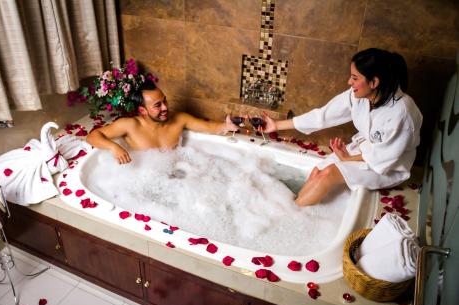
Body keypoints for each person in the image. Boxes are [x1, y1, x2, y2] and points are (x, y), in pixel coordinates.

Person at [263, 48, 423, 206]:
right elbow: (322, 116)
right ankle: (295, 206)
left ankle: (293, 212)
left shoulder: (402, 113)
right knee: (317, 171)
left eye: (354, 78)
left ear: (374, 82)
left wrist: (347, 159)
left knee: (329, 173)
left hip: (389, 168)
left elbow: (383, 158)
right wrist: (276, 125)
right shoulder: (361, 96)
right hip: (365, 151)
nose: (349, 82)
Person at [87, 80, 239, 163]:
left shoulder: (179, 119)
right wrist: (114, 147)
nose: (165, 107)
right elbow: (93, 136)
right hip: (144, 182)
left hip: (177, 174)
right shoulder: (130, 125)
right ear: (142, 111)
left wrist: (226, 126)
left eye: (164, 101)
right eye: (157, 105)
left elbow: (208, 127)